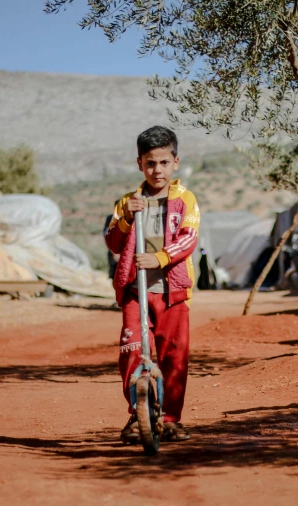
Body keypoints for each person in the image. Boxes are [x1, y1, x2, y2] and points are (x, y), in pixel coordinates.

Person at [105, 126, 200, 442]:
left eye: (163, 162)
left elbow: (189, 239)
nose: (156, 170)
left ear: (175, 161)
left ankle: (171, 418)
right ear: (139, 164)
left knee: (175, 355)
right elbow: (114, 243)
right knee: (132, 350)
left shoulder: (185, 199)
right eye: (149, 163)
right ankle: (137, 416)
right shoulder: (128, 202)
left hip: (172, 291)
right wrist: (127, 219)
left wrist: (159, 258)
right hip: (136, 291)